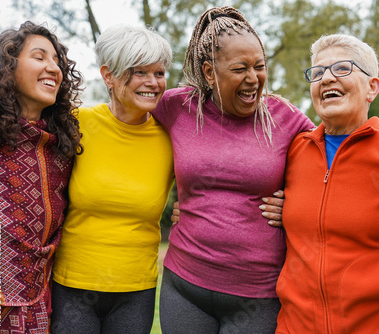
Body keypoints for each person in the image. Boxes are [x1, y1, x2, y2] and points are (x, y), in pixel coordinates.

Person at [153, 6, 314, 333]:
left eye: (260, 66)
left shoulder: (285, 118)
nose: (254, 79)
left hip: (257, 296)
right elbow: (127, 124)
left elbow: (333, 162)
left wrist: (296, 205)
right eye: (240, 68)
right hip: (185, 286)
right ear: (210, 72)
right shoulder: (176, 107)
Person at [275, 34, 379, 334]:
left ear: (372, 87)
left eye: (341, 69)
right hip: (296, 327)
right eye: (317, 73)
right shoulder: (292, 150)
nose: (326, 79)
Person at [50, 25, 174, 334]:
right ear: (108, 75)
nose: (153, 83)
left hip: (136, 291)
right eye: (140, 72)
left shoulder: (174, 138)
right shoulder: (78, 124)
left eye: (159, 73)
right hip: (72, 287)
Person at [0, 21, 83, 333]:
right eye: (40, 57)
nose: (54, 68)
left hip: (41, 307)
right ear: (6, 70)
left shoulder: (63, 146)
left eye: (57, 61)